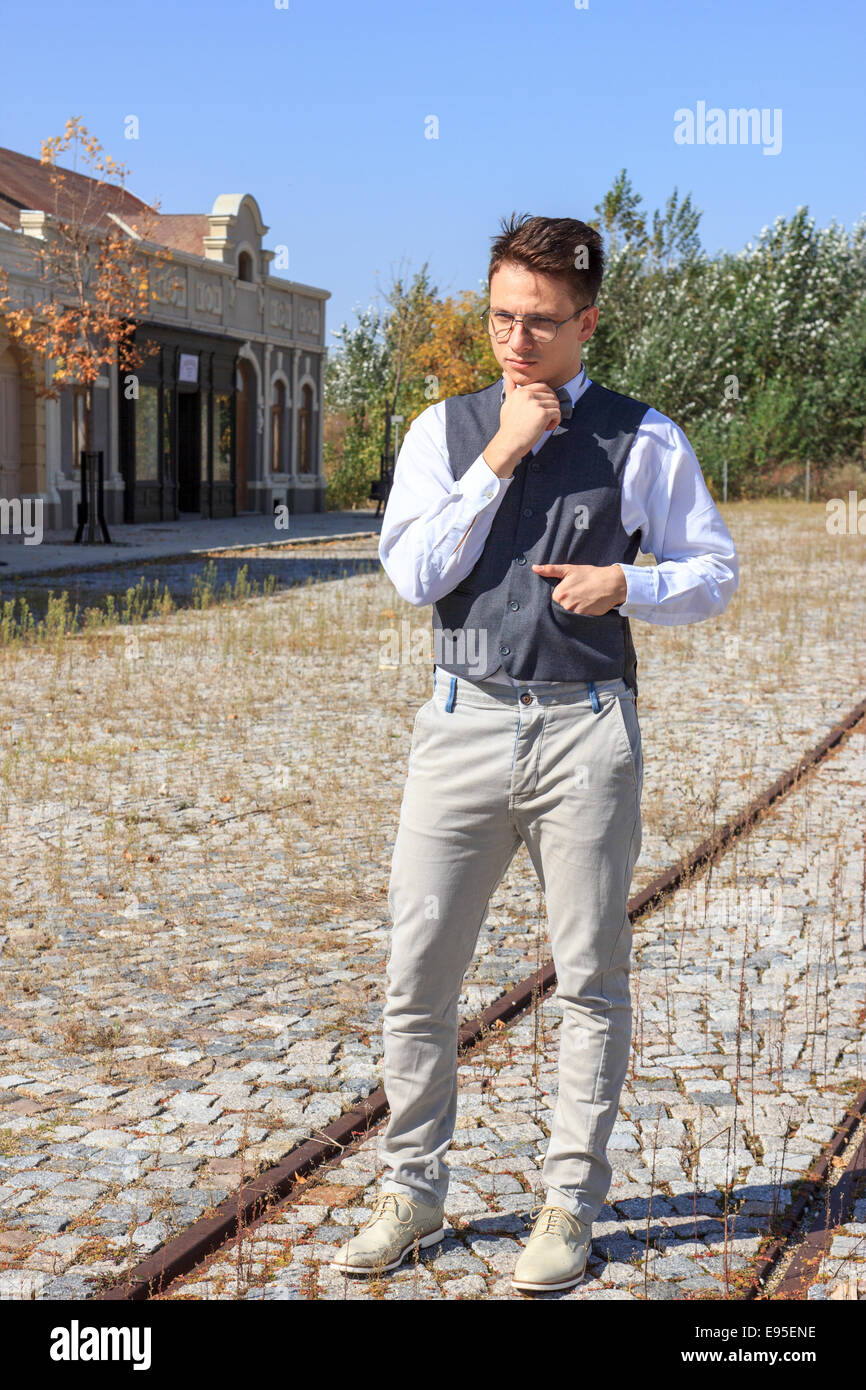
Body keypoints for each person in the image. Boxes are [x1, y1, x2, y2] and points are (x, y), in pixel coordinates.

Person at [331, 213, 738, 1294]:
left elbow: (715, 569)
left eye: (541, 324)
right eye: (502, 316)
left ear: (585, 322)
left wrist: (632, 585)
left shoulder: (642, 438)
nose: (515, 341)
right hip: (459, 723)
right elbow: (413, 573)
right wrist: (501, 453)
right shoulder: (443, 429)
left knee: (589, 982)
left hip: (584, 730)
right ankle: (412, 1189)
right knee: (417, 972)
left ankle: (565, 1206)